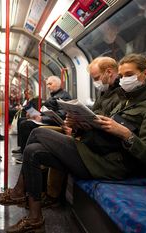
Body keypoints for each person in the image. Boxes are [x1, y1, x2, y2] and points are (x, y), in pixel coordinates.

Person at [0, 54, 146, 232]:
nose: (123, 80)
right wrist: (80, 124)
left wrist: (125, 134)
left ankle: (18, 192)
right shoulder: (125, 101)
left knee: (38, 132)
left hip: (112, 165)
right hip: (96, 152)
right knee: (33, 151)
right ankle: (35, 218)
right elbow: (104, 132)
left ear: (145, 74)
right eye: (122, 76)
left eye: (128, 75)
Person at [44, 56, 121, 206]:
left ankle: (48, 196)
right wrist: (76, 124)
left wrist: (77, 130)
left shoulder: (121, 96)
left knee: (43, 137)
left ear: (109, 72)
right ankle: (46, 194)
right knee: (39, 141)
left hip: (99, 145)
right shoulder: (104, 94)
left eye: (97, 78)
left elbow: (109, 126)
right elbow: (95, 118)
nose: (95, 83)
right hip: (88, 136)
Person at [12, 76, 71, 162]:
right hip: (47, 118)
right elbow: (47, 111)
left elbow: (61, 115)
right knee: (22, 119)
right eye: (47, 84)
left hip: (54, 122)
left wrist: (42, 118)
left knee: (26, 124)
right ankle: (22, 148)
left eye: (50, 84)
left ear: (58, 84)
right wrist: (35, 115)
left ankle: (25, 154)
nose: (48, 86)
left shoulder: (64, 96)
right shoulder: (53, 95)